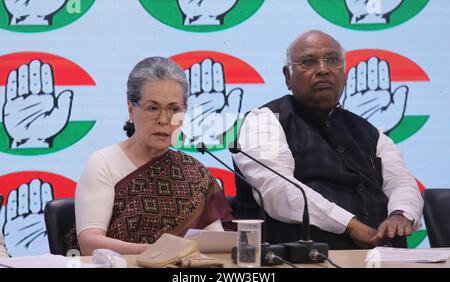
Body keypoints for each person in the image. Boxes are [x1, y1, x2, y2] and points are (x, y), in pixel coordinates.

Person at [232, 30, 423, 249]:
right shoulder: (261, 121)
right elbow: (278, 191)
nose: (323, 70)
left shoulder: (371, 132)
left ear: (344, 73)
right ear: (287, 76)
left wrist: (400, 216)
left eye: (333, 60)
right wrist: (351, 225)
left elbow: (401, 182)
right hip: (303, 259)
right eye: (308, 62)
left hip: (384, 257)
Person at [70, 57, 233, 256]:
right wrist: (152, 252)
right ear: (131, 109)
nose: (163, 120)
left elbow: (217, 244)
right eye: (153, 108)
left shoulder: (194, 173)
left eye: (174, 109)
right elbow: (89, 243)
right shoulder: (103, 163)